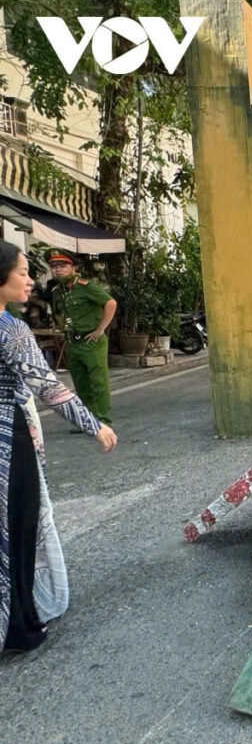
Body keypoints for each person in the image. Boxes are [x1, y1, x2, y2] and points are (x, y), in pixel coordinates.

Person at [0, 242, 117, 652]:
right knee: (16, 530)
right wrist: (95, 426)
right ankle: (18, 626)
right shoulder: (10, 329)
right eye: (21, 272)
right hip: (7, 444)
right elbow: (49, 389)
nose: (31, 279)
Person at [39, 248, 116, 427]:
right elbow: (60, 313)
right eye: (54, 266)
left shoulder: (86, 287)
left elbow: (110, 303)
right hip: (72, 342)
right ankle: (88, 420)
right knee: (81, 383)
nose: (58, 269)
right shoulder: (58, 291)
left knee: (98, 382)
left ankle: (102, 420)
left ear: (73, 267)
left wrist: (100, 329)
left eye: (62, 265)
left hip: (92, 341)